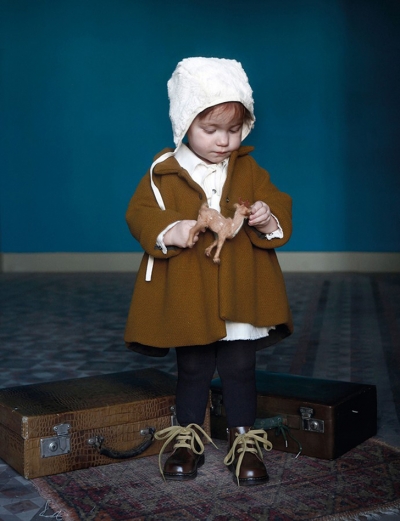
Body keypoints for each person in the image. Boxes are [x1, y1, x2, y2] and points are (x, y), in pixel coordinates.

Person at [124, 57, 293, 486]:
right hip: (189, 291)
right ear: (185, 123)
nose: (223, 141)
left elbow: (280, 209)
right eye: (210, 129)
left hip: (238, 291)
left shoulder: (250, 170)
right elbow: (139, 215)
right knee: (194, 366)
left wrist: (266, 217)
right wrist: (171, 229)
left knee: (239, 366)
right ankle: (187, 438)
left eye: (233, 130)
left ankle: (244, 440)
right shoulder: (163, 174)